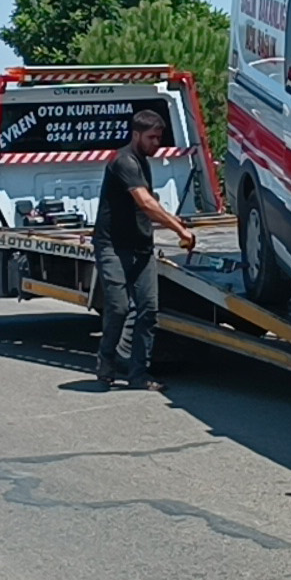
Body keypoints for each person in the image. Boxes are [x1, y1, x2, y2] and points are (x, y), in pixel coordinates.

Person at [92, 110, 195, 391]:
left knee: (148, 310)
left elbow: (148, 206)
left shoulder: (141, 161)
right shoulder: (123, 161)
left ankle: (139, 375)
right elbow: (146, 203)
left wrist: (174, 223)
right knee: (119, 307)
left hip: (141, 246)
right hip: (112, 246)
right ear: (136, 134)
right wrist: (179, 229)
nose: (157, 143)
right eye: (151, 137)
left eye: (159, 137)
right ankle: (105, 362)